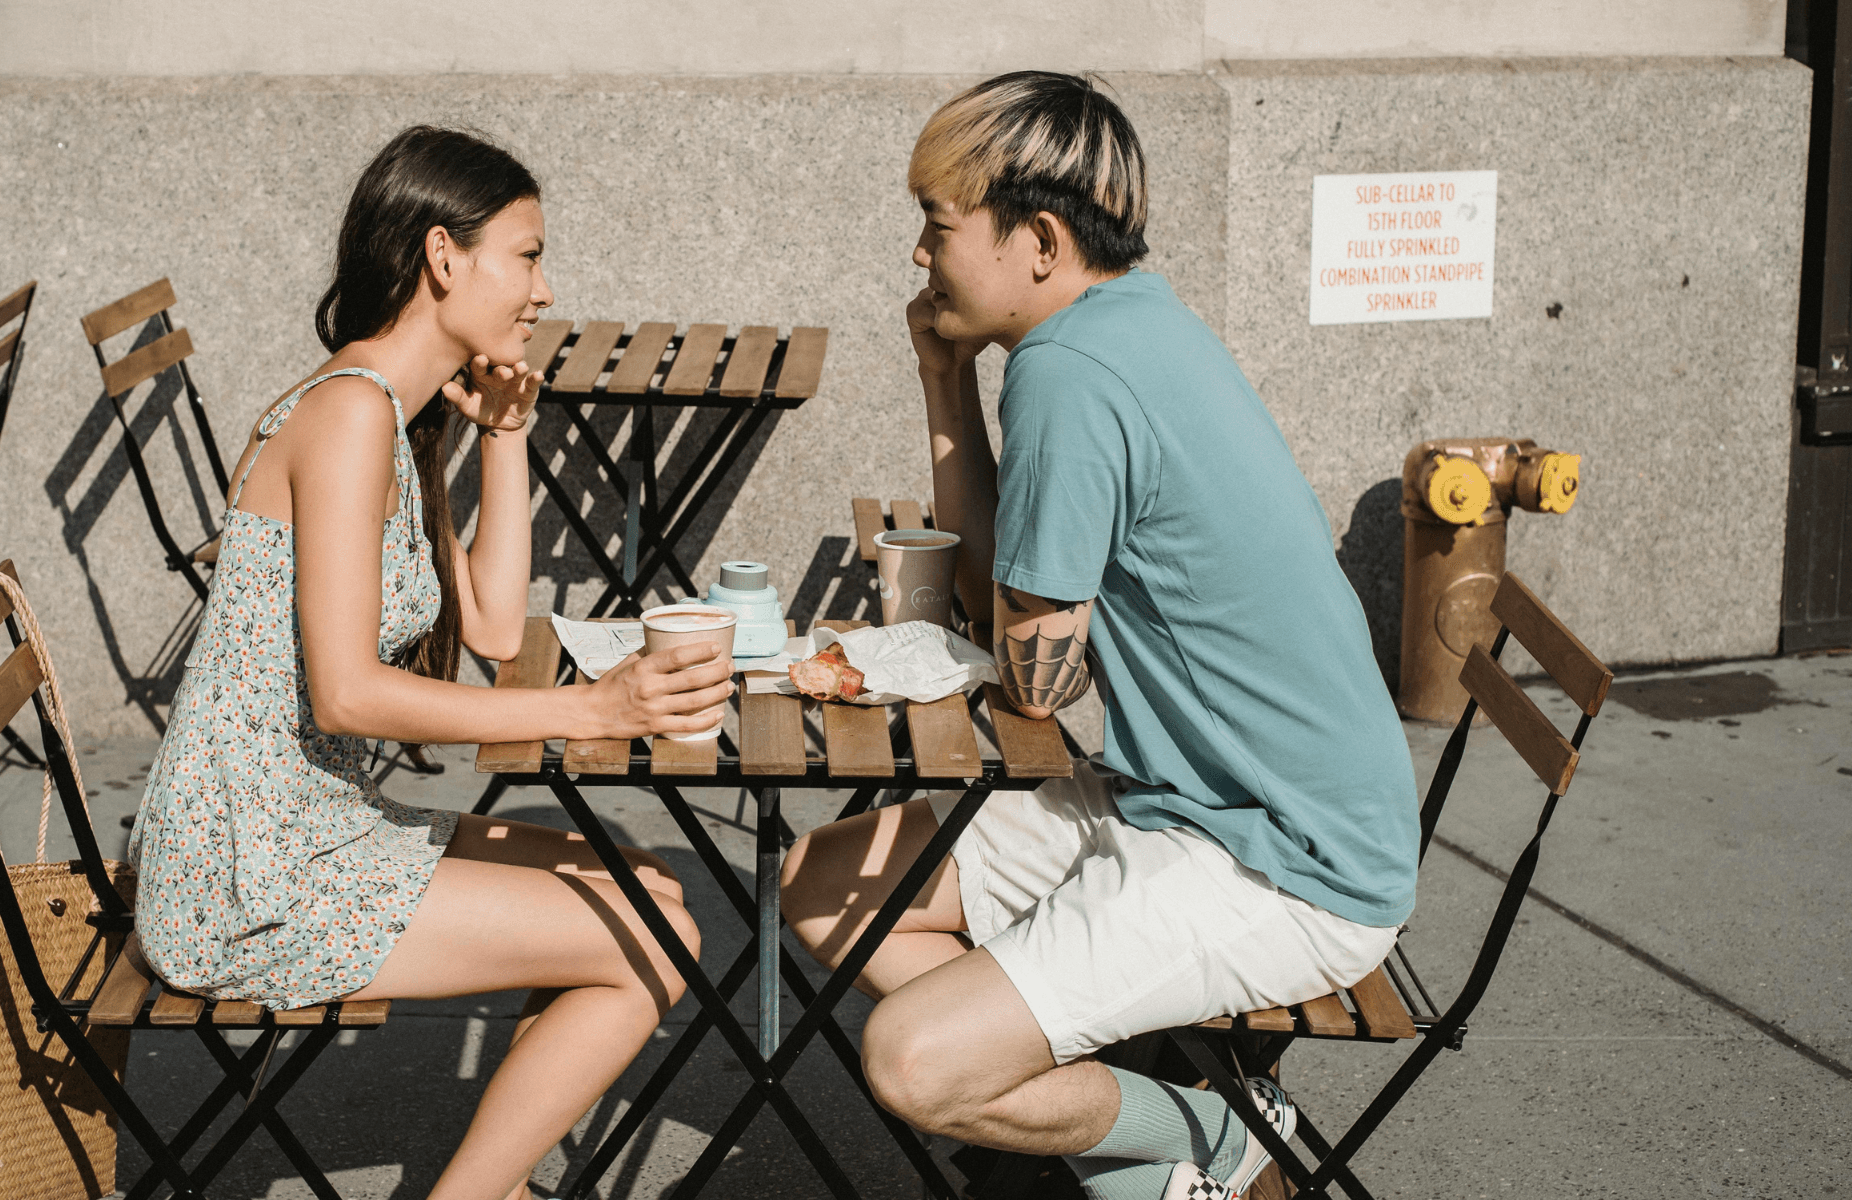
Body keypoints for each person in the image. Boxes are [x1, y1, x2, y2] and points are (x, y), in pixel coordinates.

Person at [780, 73, 1420, 1199]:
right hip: (1188, 800)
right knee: (825, 882)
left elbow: (1029, 681)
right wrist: (943, 375)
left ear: (1034, 241)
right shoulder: (1127, 320)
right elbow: (1008, 603)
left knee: (913, 1061)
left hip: (1286, 863)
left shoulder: (1069, 373)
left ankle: (1217, 1136)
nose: (918, 259)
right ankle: (1108, 1120)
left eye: (936, 228)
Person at [132, 125, 730, 1200]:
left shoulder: (390, 415)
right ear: (444, 257)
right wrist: (592, 713)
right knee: (655, 940)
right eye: (528, 254)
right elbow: (350, 692)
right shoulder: (352, 414)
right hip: (250, 870)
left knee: (651, 891)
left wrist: (505, 437)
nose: (544, 289)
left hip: (303, 825)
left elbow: (495, 627)